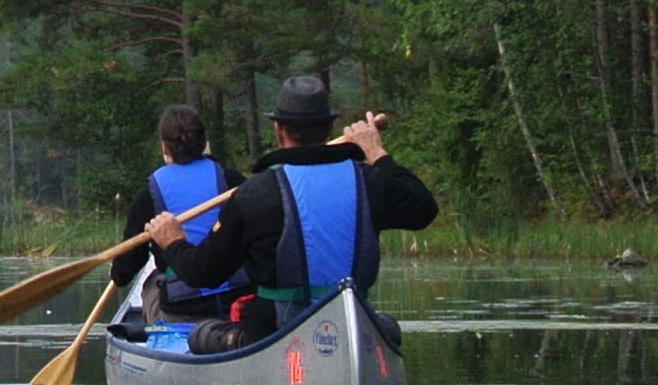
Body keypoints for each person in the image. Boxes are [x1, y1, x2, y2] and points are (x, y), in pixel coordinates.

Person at [142, 74, 437, 354]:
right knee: (386, 327)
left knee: (201, 335)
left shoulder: (254, 194)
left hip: (273, 334)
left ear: (278, 131)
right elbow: (424, 209)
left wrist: (174, 241)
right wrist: (376, 152)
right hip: (351, 326)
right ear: (328, 129)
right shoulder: (370, 182)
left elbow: (202, 273)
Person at [111, 104, 251, 326]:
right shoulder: (233, 182)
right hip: (235, 301)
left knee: (151, 283)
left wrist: (116, 271)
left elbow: (125, 271)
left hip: (182, 307)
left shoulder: (148, 197)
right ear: (204, 144)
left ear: (164, 148)